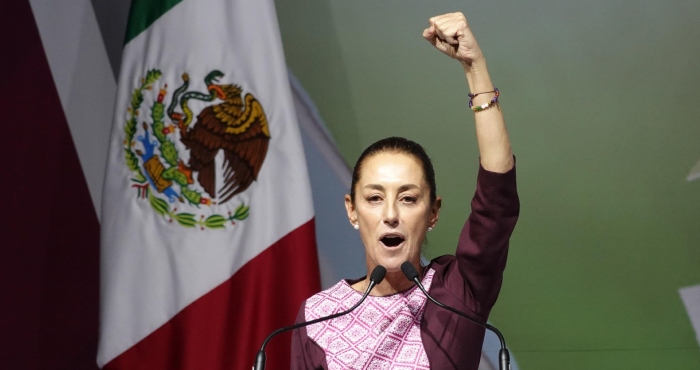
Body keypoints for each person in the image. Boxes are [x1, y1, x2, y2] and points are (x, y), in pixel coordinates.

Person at [291, 12, 519, 370]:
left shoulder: (455, 294)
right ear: (352, 210)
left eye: (409, 198)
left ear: (433, 213)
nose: (391, 214)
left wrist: (475, 68)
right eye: (375, 198)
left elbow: (497, 200)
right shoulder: (318, 318)